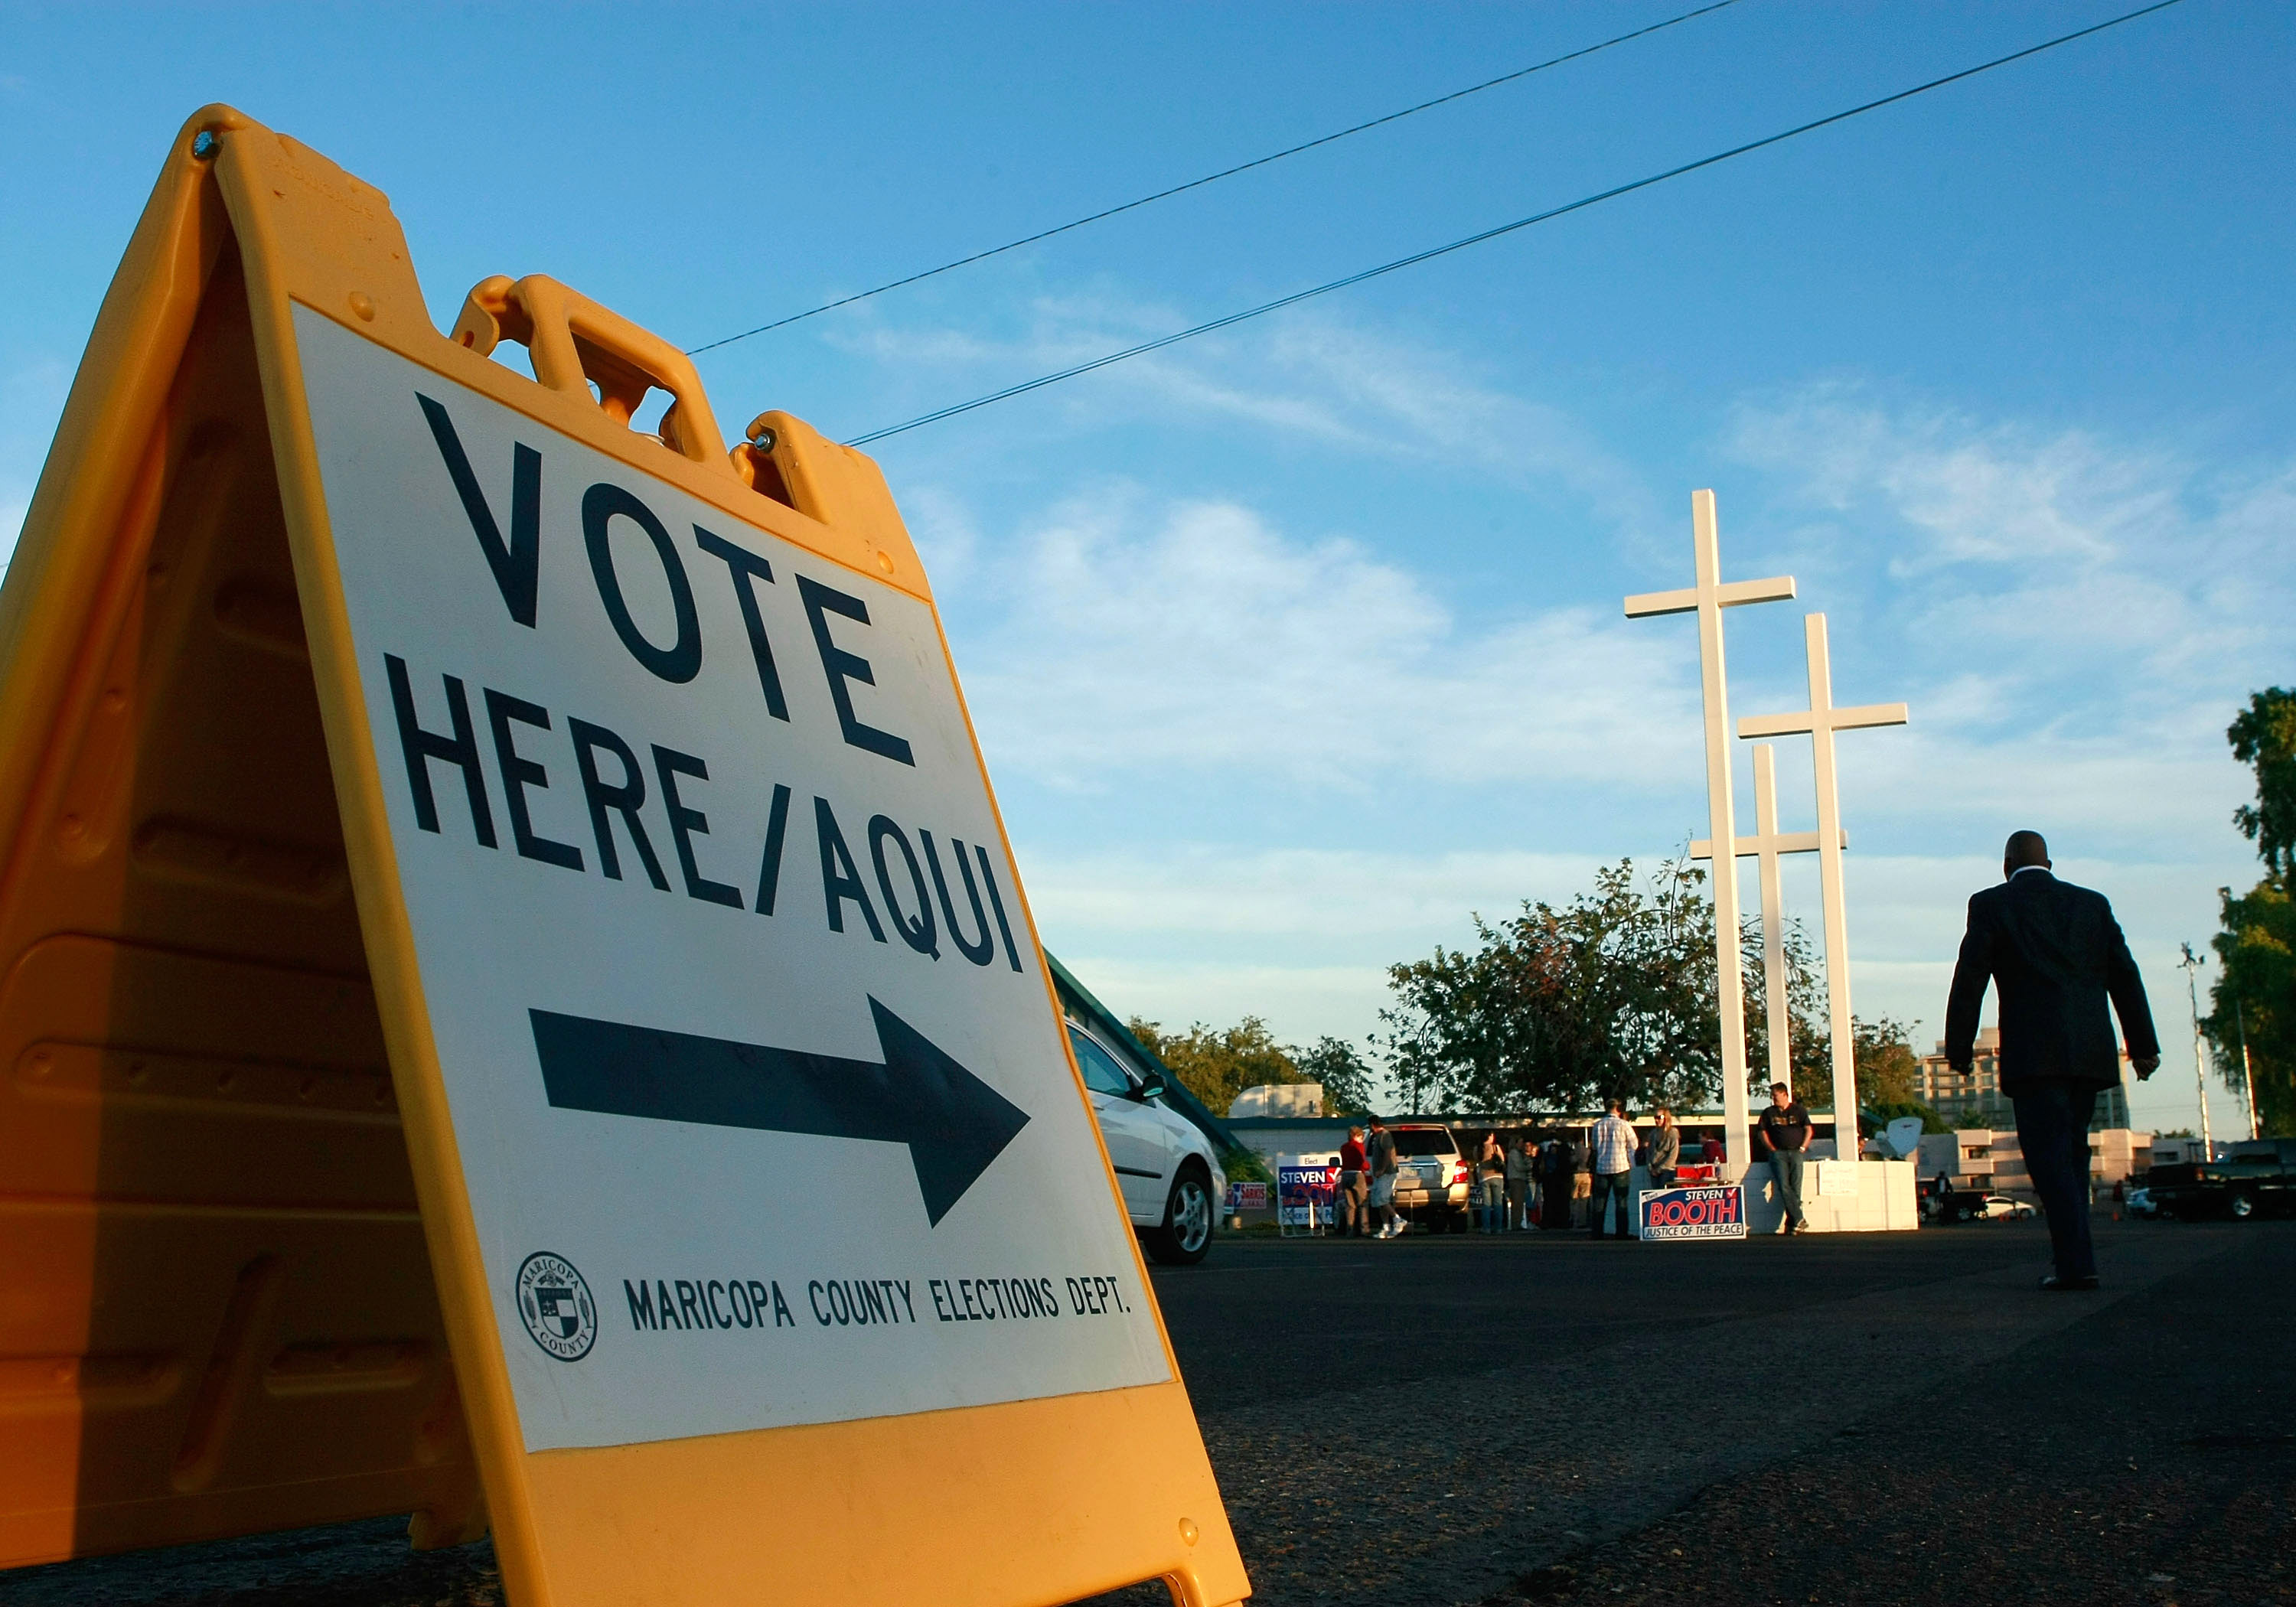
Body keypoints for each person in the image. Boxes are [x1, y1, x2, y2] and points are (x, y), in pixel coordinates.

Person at [1945, 830, 2161, 1292]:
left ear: (2006, 865)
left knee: (2048, 1159)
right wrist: (2142, 1046)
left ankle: (2076, 1265)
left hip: (2034, 1056)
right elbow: (2125, 974)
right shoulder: (2092, 904)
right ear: (2050, 862)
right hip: (2088, 1053)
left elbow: (1970, 979)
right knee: (2073, 1152)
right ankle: (2076, 1258)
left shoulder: (1991, 905)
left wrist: (1959, 1049)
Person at [1756, 1083, 1812, 1234]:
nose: (1773, 1099)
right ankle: (1799, 1218)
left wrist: (1803, 1147)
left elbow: (1808, 1129)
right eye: (1772, 1096)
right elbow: (1762, 1132)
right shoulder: (1769, 1113)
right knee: (1783, 1186)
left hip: (1796, 1152)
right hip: (1778, 1153)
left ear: (1785, 1094)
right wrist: (1772, 1149)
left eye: (1776, 1095)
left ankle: (1792, 1224)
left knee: (1796, 1187)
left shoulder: (1798, 1111)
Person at [1587, 1100, 1637, 1240]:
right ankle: (1621, 1233)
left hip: (1602, 1167)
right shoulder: (1624, 1125)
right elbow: (1634, 1144)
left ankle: (1597, 1232)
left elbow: (1595, 1146)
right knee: (1621, 1201)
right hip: (1620, 1166)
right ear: (1618, 1109)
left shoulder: (1598, 1125)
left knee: (1599, 1201)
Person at [1365, 1116, 1402, 1240]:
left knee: (1382, 1198)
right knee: (1378, 1201)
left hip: (1387, 1173)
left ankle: (1398, 1219)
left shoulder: (1385, 1135)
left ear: (1373, 1124)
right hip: (1379, 1174)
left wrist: (1382, 1169)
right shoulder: (1377, 1136)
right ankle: (1385, 1227)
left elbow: (1388, 1152)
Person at [1337, 1125, 1369, 1237]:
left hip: (1345, 1175)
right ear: (1357, 1136)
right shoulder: (1358, 1146)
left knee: (1350, 1205)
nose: (1362, 1139)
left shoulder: (1344, 1147)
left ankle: (1350, 1230)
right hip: (1357, 1174)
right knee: (1362, 1203)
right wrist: (1368, 1167)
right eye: (1361, 1137)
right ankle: (1363, 1229)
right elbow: (1362, 1162)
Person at [1540, 1134, 1574, 1230]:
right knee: (1563, 1201)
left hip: (1549, 1178)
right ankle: (1562, 1221)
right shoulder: (1565, 1149)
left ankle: (1548, 1221)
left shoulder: (1545, 1149)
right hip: (1563, 1178)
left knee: (1549, 1200)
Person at [1506, 1135, 1538, 1231]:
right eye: (1520, 1142)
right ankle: (1516, 1223)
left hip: (1519, 1180)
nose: (1522, 1145)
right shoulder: (1514, 1153)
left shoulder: (1518, 1153)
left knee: (1519, 1203)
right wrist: (1529, 1167)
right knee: (1517, 1203)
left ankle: (1518, 1222)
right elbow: (1519, 1167)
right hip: (1516, 1180)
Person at [1477, 1133, 1507, 1233]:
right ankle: (1498, 1227)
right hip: (1497, 1176)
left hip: (1484, 1177)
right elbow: (1502, 1160)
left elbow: (1478, 1161)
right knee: (1498, 1203)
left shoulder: (1477, 1148)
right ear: (1490, 1136)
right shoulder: (1495, 1147)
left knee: (1486, 1204)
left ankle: (1486, 1227)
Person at [1645, 1107, 1680, 1188]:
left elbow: (1673, 1154)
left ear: (1666, 1118)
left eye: (1659, 1117)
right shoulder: (1653, 1133)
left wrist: (1660, 1169)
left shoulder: (1672, 1133)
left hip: (1667, 1170)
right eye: (1655, 1117)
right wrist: (1650, 1167)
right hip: (1654, 1171)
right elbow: (1648, 1152)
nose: (1657, 1120)